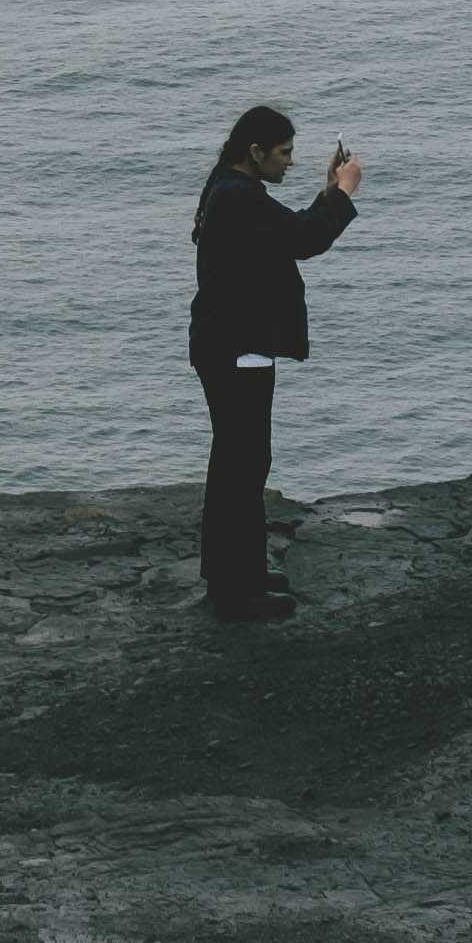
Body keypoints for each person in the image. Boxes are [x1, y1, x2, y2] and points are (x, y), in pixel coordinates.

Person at [185, 105, 363, 619]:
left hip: (230, 343)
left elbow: (288, 232)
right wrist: (345, 191)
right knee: (243, 464)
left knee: (239, 460)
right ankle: (235, 590)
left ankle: (235, 573)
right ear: (255, 152)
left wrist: (328, 194)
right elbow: (306, 239)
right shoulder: (239, 198)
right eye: (283, 153)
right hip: (237, 347)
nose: (289, 163)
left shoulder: (229, 188)